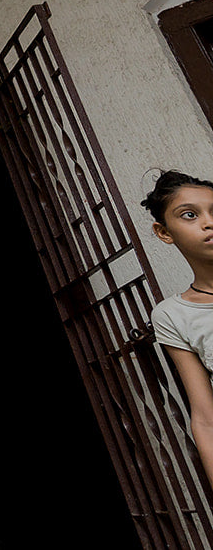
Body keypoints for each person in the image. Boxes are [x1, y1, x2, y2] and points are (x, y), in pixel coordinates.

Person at [146, 169, 213, 488]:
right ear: (164, 232)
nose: (208, 222)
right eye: (189, 215)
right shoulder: (172, 315)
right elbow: (205, 418)